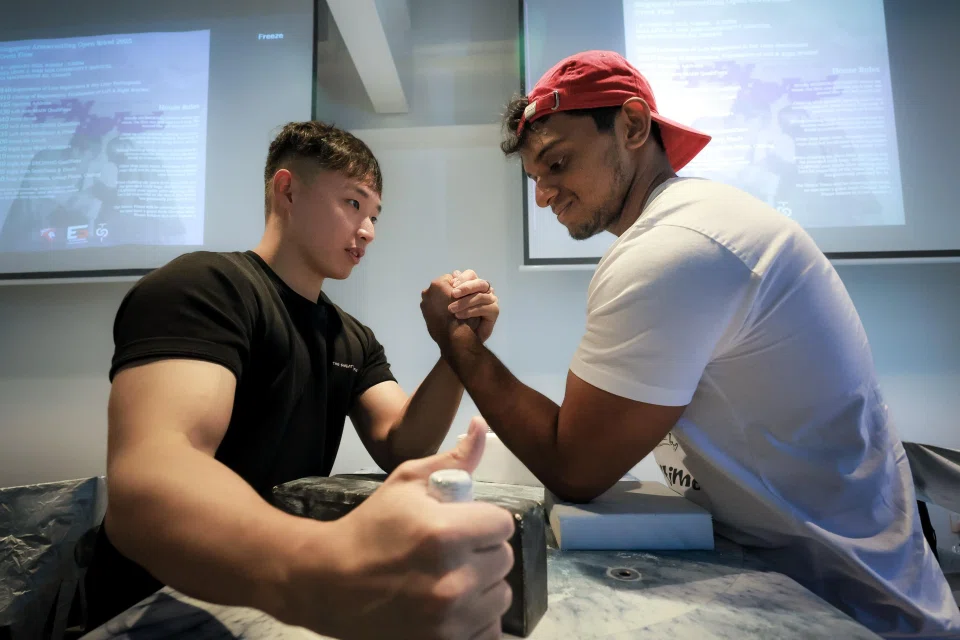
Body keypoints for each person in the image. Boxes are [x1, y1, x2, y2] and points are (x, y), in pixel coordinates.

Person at [420, 50, 960, 638]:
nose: (545, 195)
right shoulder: (701, 222)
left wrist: (460, 344)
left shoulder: (675, 248)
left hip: (849, 609)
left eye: (558, 162)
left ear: (631, 125)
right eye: (536, 179)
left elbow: (575, 467)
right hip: (816, 584)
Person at [84, 121, 515, 640]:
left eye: (375, 214)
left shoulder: (350, 336)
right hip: (155, 604)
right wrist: (326, 566)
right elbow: (151, 478)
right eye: (353, 204)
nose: (369, 231)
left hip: (267, 600)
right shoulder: (205, 288)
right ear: (287, 190)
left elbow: (403, 444)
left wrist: (457, 348)